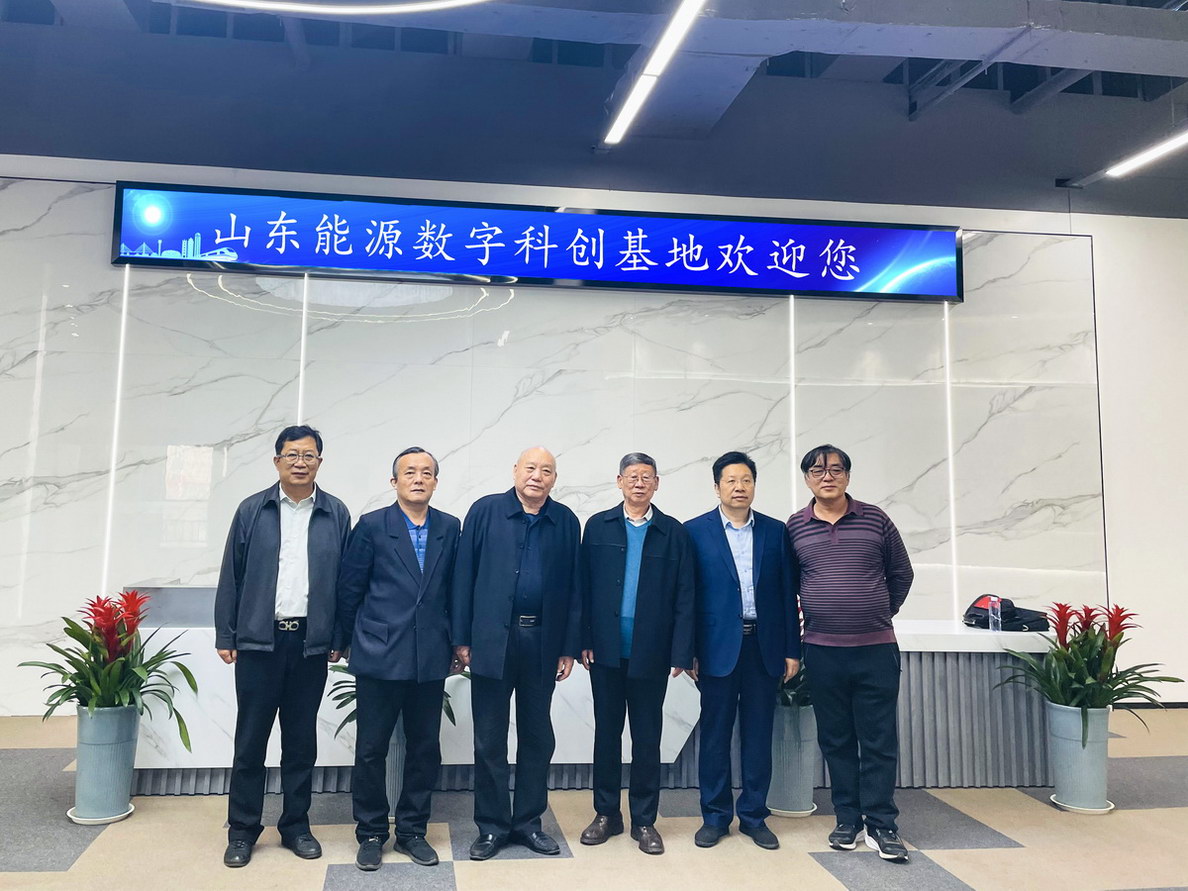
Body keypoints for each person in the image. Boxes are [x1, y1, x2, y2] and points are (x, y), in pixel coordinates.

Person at [213, 425, 352, 868]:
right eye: (292, 454)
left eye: (308, 455)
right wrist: (226, 633)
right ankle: (242, 830)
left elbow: (345, 583)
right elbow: (231, 574)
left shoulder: (335, 512)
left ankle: (296, 825)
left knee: (300, 742)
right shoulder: (252, 510)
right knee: (250, 741)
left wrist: (339, 636)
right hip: (259, 643)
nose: (300, 462)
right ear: (277, 461)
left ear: (319, 462)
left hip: (309, 644)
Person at [334, 447, 462, 872]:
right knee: (371, 748)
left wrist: (458, 643)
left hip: (430, 654)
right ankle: (371, 832)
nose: (418, 479)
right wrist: (342, 639)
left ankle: (412, 830)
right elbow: (350, 587)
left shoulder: (449, 527)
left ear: (436, 482)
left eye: (426, 473)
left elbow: (456, 590)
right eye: (409, 472)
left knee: (424, 748)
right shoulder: (373, 525)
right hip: (379, 651)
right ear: (394, 482)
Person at [450, 446, 581, 861]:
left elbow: (574, 588)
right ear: (515, 471)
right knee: (489, 738)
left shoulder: (565, 521)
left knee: (537, 737)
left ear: (554, 479)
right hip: (491, 641)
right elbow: (463, 576)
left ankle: (528, 823)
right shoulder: (485, 512)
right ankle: (491, 827)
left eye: (546, 470)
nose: (537, 476)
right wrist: (461, 638)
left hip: (542, 642)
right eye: (530, 468)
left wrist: (567, 646)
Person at [786, 444, 914, 863]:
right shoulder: (796, 526)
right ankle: (847, 819)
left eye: (836, 470)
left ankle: (882, 823)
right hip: (822, 651)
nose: (827, 477)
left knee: (878, 739)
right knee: (836, 738)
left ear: (847, 476)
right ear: (807, 479)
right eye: (818, 471)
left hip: (875, 649)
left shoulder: (875, 518)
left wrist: (878, 612)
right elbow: (790, 584)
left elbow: (901, 573)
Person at [578, 453, 695, 855]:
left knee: (647, 738)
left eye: (647, 477)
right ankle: (606, 814)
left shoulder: (673, 532)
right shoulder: (598, 526)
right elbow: (583, 587)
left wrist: (681, 651)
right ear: (619, 481)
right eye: (632, 476)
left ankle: (644, 821)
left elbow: (685, 595)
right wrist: (582, 639)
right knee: (606, 735)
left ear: (657, 483)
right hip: (605, 651)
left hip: (652, 653)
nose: (639, 483)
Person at [684, 450, 799, 851]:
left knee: (758, 735)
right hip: (715, 648)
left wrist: (792, 649)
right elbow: (687, 597)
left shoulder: (775, 531)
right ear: (717, 487)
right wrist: (688, 650)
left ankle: (753, 816)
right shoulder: (694, 531)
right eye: (731, 480)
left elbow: (787, 594)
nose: (739, 487)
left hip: (763, 647)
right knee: (715, 736)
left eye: (746, 480)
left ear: (754, 485)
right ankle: (715, 817)